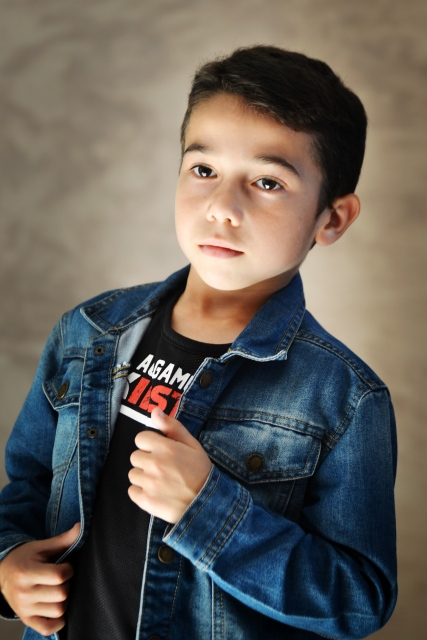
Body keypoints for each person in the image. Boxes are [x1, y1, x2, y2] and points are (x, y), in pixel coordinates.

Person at [0, 45, 397, 640]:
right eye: (204, 170)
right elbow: (27, 487)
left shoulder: (344, 397)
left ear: (332, 219)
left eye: (267, 181)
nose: (222, 208)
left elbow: (358, 601)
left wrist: (206, 510)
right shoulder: (86, 330)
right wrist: (7, 561)